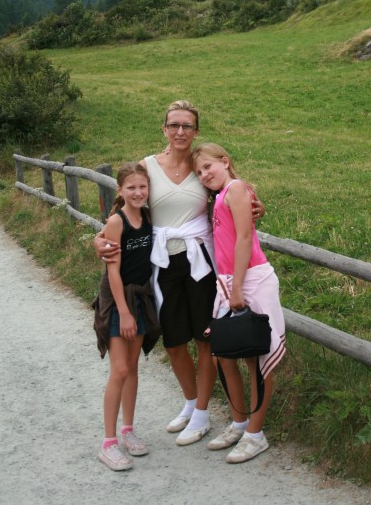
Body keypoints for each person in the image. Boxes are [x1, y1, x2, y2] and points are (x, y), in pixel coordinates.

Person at [94, 100, 265, 448]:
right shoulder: (148, 166)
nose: (180, 131)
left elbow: (232, 193)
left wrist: (256, 205)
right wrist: (100, 239)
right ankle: (190, 402)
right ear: (164, 129)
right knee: (173, 342)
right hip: (162, 262)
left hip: (200, 258)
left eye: (187, 125)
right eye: (174, 125)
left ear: (196, 131)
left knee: (205, 339)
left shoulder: (203, 167)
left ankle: (201, 412)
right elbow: (124, 207)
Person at [191, 142, 286, 464]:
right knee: (223, 354)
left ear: (224, 161)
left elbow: (245, 237)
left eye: (208, 167)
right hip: (229, 281)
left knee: (258, 358)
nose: (204, 175)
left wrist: (238, 288)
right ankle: (240, 422)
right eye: (199, 172)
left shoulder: (236, 189)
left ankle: (256, 435)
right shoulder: (220, 196)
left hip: (250, 280)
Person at [92, 162, 161, 472]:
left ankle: (128, 429)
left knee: (132, 367)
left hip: (141, 297)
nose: (138, 192)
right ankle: (108, 444)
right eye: (131, 187)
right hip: (119, 300)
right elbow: (113, 272)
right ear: (119, 190)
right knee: (119, 369)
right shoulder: (116, 222)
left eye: (142, 187)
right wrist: (123, 312)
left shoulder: (147, 216)